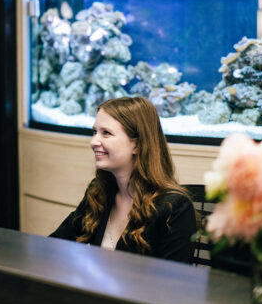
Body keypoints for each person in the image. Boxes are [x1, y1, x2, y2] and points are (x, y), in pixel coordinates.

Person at [50, 97, 197, 263]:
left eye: (106, 133)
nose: (93, 142)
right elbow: (54, 245)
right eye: (94, 132)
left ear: (138, 145)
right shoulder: (98, 192)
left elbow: (173, 283)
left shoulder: (175, 207)